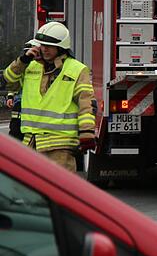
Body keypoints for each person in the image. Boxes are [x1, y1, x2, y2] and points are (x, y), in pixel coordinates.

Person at [3, 22, 95, 172]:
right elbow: (8, 79)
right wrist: (23, 60)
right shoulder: (30, 66)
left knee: (60, 186)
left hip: (60, 147)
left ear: (61, 47)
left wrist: (87, 132)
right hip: (31, 143)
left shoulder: (77, 70)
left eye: (49, 46)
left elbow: (85, 104)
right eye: (42, 45)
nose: (44, 49)